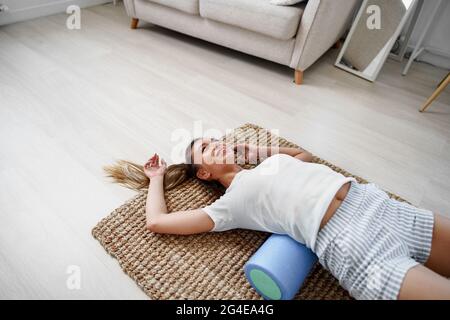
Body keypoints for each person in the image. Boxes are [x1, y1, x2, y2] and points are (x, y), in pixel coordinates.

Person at [105, 138, 450, 300]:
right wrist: (155, 179)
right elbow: (157, 222)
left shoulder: (266, 164)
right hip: (352, 245)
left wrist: (259, 152)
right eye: (209, 149)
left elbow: (304, 156)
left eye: (216, 139)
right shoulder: (232, 203)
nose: (219, 143)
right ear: (206, 173)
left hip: (378, 205)